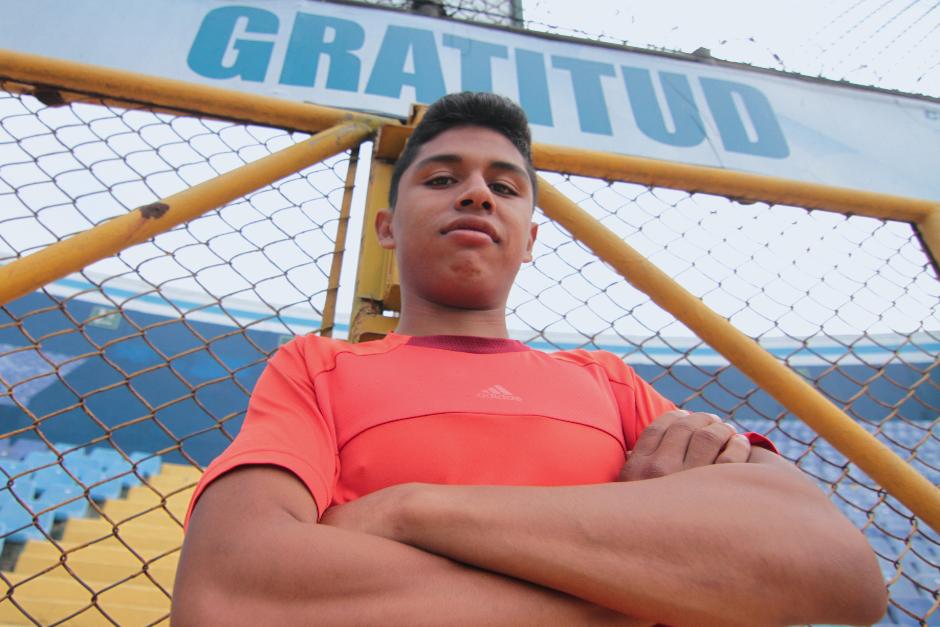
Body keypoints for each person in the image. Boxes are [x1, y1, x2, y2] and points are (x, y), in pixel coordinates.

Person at [172, 92, 887, 626]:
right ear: (386, 227)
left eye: (504, 186)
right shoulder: (318, 368)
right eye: (442, 179)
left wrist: (410, 510)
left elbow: (838, 567)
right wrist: (638, 590)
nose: (477, 192)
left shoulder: (611, 384)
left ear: (531, 235)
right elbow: (230, 592)